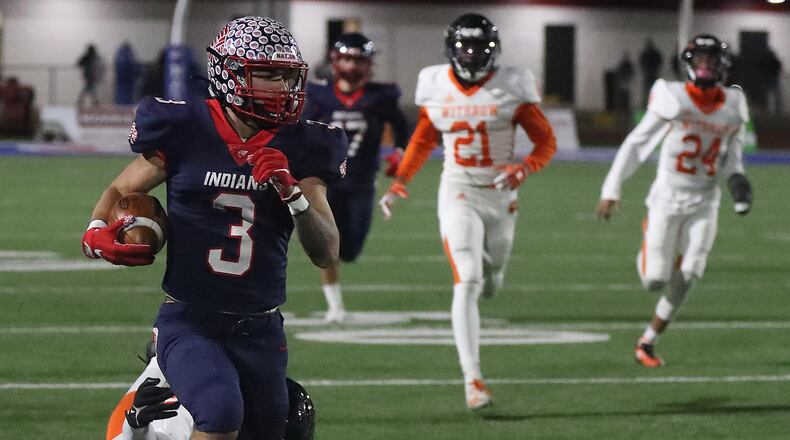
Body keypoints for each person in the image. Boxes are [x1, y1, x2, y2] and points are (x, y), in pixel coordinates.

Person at [81, 16, 345, 440]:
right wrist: (96, 231)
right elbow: (121, 188)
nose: (282, 88)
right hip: (190, 319)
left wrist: (293, 196)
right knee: (220, 413)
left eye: (287, 76)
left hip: (261, 326)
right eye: (268, 75)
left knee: (277, 428)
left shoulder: (305, 146)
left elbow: (326, 251)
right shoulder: (185, 128)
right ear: (228, 73)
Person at [379, 13, 556, 409]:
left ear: (493, 50)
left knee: (491, 277)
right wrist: (400, 181)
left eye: (479, 47)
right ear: (453, 50)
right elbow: (424, 138)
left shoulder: (512, 85)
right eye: (465, 46)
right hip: (458, 189)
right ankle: (473, 379)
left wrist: (524, 167)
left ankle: (496, 272)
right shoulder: (437, 84)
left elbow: (546, 142)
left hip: (501, 195)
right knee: (468, 279)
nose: (472, 53)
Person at [597, 34, 753, 368]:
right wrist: (612, 188)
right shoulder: (672, 96)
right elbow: (638, 144)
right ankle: (651, 243)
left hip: (704, 200)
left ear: (723, 66)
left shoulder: (733, 104)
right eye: (700, 60)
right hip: (667, 198)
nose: (706, 66)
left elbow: (732, 156)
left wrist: (738, 182)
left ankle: (648, 340)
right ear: (688, 64)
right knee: (654, 279)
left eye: (711, 60)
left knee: (692, 270)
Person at [301, 33, 409, 322]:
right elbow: (303, 129)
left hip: (362, 180)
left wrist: (399, 152)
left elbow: (401, 126)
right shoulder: (320, 94)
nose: (352, 65)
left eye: (358, 59)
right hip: (327, 181)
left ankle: (336, 295)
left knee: (350, 249)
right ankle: (335, 306)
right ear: (336, 61)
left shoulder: (381, 96)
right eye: (347, 58)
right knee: (328, 245)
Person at [105, 342, 315, 440]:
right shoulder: (186, 426)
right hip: (143, 418)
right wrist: (136, 427)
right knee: (161, 362)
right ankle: (161, 356)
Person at [77, 43, 104, 108]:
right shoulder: (90, 57)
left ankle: (83, 100)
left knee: (89, 88)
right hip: (90, 75)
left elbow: (79, 63)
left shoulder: (90, 57)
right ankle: (94, 101)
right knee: (90, 88)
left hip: (90, 75)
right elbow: (79, 63)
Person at [638, 38, 663, 106]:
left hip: (653, 73)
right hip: (647, 73)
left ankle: (655, 103)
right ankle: (646, 104)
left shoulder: (654, 53)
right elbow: (641, 62)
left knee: (655, 90)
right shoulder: (645, 53)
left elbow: (659, 61)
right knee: (646, 90)